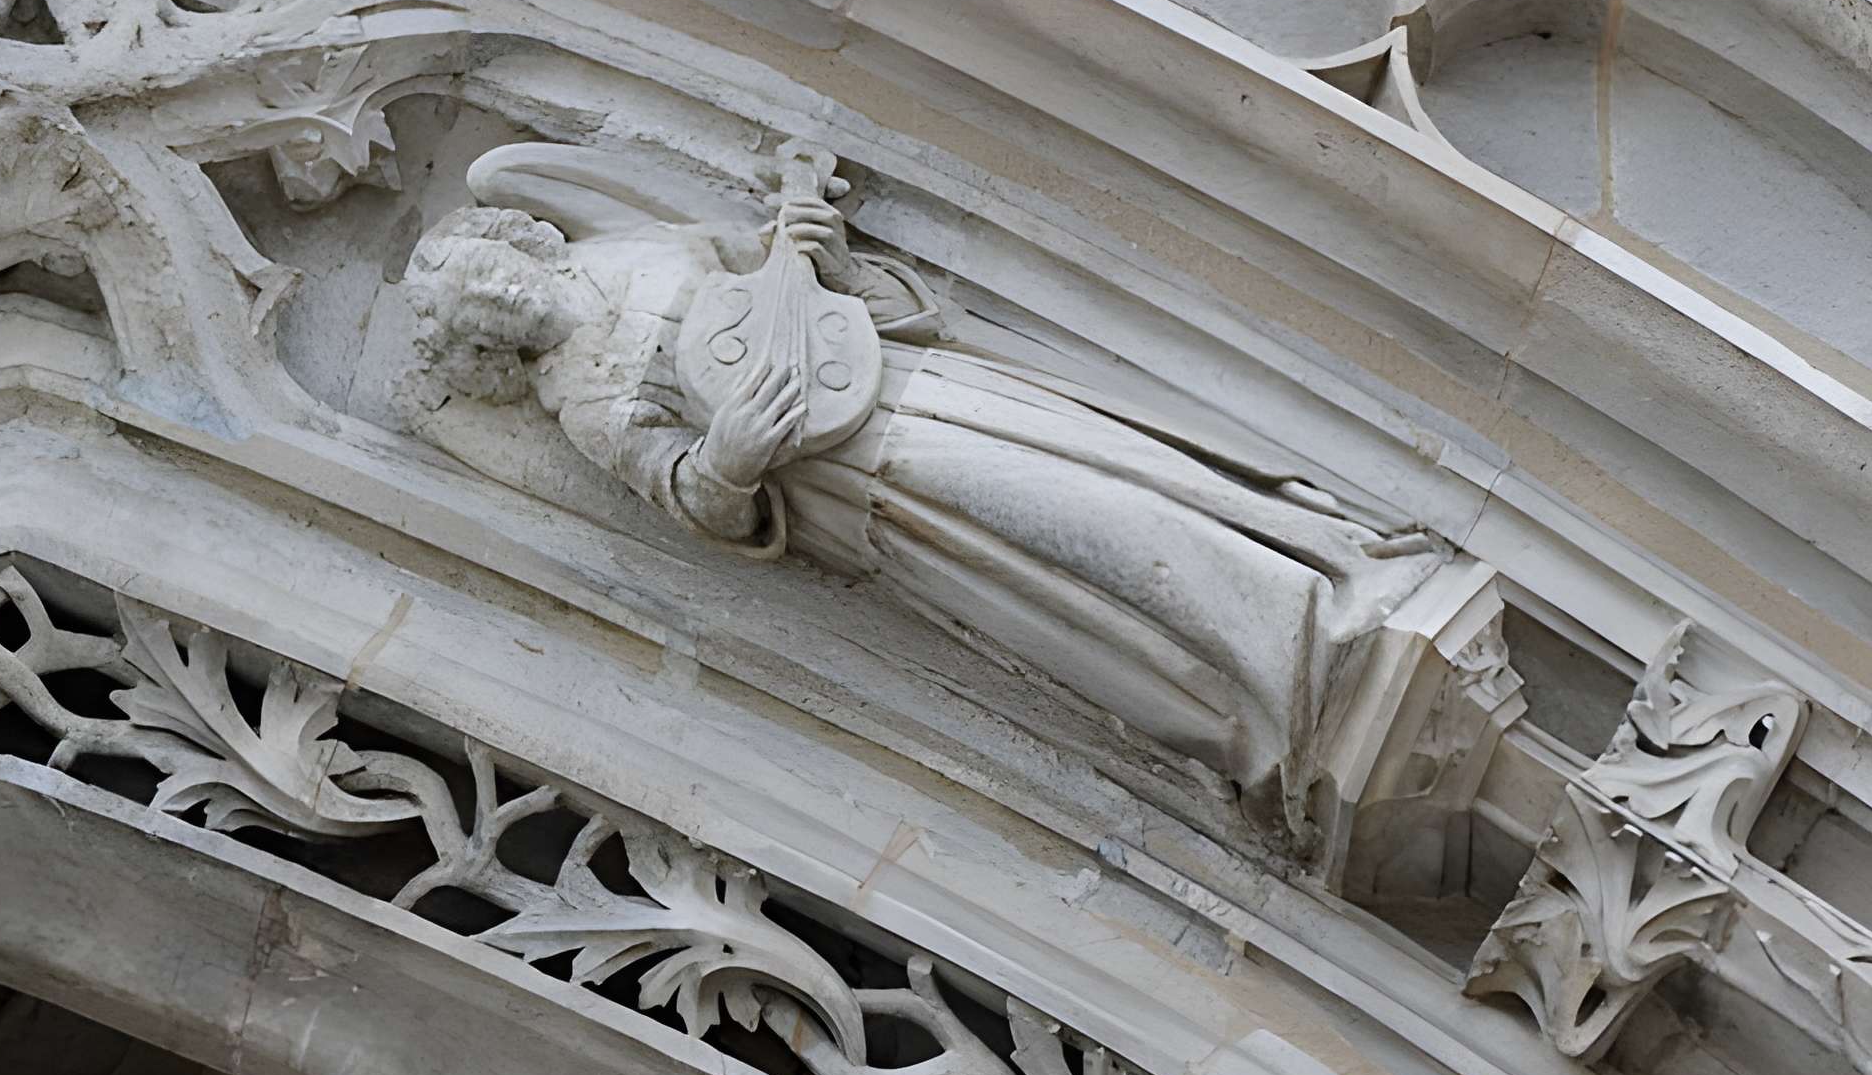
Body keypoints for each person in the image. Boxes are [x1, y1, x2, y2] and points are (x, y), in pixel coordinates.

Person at [405, 142, 1441, 806]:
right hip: (865, 477)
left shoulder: (633, 250)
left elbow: (782, 272)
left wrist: (815, 248)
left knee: (1123, 471)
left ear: (518, 243)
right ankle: (1280, 679)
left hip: (904, 378)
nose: (497, 295)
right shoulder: (577, 397)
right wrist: (728, 459)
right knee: (1086, 544)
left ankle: (1327, 574)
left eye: (488, 270)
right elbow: (680, 489)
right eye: (476, 310)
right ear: (483, 347)